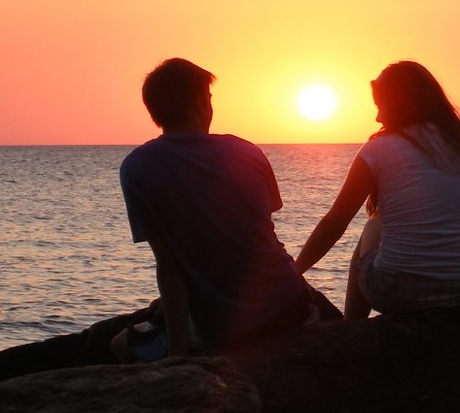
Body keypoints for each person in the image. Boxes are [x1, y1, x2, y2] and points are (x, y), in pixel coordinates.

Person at [113, 58, 332, 362]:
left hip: (221, 326)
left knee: (120, 344)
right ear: (199, 104)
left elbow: (170, 266)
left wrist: (178, 356)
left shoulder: (137, 167)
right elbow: (257, 231)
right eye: (210, 99)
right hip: (290, 306)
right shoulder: (246, 151)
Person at [295, 61, 460, 319]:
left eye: (381, 107)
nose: (378, 118)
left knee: (373, 226)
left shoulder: (377, 150)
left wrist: (294, 272)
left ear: (399, 104)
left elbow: (334, 223)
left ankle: (352, 328)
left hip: (400, 294)